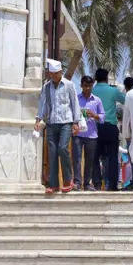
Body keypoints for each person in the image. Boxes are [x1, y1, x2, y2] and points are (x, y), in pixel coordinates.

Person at [36, 58, 81, 195]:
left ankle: (68, 180)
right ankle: (54, 184)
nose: (54, 76)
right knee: (52, 152)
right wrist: (38, 119)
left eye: (56, 73)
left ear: (61, 72)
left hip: (66, 122)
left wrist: (76, 121)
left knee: (62, 148)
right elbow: (42, 103)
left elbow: (75, 103)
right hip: (51, 123)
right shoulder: (46, 87)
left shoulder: (69, 85)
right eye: (51, 74)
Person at [92, 68, 125, 191]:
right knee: (113, 156)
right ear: (106, 78)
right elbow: (125, 100)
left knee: (95, 157)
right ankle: (112, 184)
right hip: (110, 126)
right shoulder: (113, 91)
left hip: (95, 128)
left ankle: (97, 183)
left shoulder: (92, 90)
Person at [72, 75, 105, 191]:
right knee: (76, 158)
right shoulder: (76, 99)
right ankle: (77, 182)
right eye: (85, 86)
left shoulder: (97, 100)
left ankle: (86, 183)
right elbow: (71, 114)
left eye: (90, 86)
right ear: (81, 86)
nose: (87, 88)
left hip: (91, 134)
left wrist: (94, 115)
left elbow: (102, 117)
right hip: (78, 133)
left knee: (90, 160)